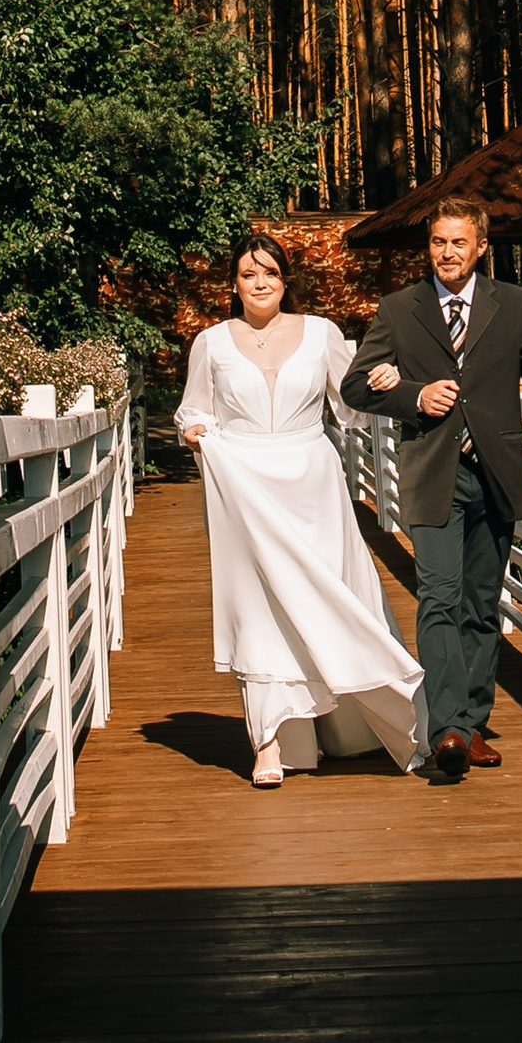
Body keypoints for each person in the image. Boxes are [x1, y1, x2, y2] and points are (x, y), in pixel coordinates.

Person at [341, 203, 522, 784]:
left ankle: (470, 727)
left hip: (496, 472)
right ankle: (446, 726)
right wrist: (413, 397)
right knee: (438, 596)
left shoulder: (514, 304)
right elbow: (354, 385)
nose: (447, 252)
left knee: (479, 603)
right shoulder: (400, 310)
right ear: (430, 248)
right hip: (432, 473)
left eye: (458, 243)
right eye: (439, 243)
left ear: (479, 248)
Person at [176, 235, 424, 787]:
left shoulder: (323, 334)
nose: (259, 283)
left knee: (326, 596)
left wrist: (387, 381)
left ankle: (348, 725)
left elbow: (352, 408)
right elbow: (193, 409)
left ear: (286, 280)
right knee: (259, 608)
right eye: (247, 274)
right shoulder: (210, 343)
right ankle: (268, 742)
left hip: (312, 486)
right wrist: (194, 430)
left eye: (269, 272)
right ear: (234, 284)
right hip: (243, 485)